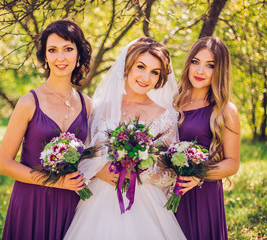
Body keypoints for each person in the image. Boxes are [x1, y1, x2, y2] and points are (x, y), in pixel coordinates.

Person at [64, 37, 186, 240]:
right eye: (141, 67)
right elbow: (85, 154)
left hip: (145, 202)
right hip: (98, 200)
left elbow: (170, 172)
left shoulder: (166, 115)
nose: (146, 77)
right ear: (127, 66)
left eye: (154, 72)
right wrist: (97, 171)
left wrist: (139, 170)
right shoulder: (101, 106)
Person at [0, 20, 92, 240]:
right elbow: (4, 164)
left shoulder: (87, 104)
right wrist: (57, 182)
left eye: (68, 49)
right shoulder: (28, 103)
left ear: (78, 55)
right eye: (53, 50)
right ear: (45, 57)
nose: (60, 57)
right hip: (32, 201)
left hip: (71, 203)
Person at [173, 36, 241, 240]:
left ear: (219, 71)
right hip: (166, 191)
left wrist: (199, 174)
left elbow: (232, 163)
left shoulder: (225, 110)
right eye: (195, 62)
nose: (200, 71)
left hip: (202, 194)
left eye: (209, 65)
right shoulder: (173, 100)